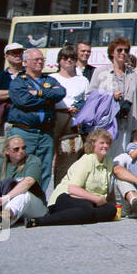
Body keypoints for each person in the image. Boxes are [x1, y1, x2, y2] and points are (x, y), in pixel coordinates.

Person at [5, 49, 66, 199]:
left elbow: (60, 92)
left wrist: (39, 93)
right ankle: (14, 199)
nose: (40, 62)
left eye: (41, 60)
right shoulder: (19, 82)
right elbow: (24, 101)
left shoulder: (49, 80)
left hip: (45, 133)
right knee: (19, 166)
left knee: (44, 168)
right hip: (24, 132)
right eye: (36, 60)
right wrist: (48, 99)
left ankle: (38, 200)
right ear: (25, 62)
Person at [33, 129, 116, 226]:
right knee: (87, 210)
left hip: (89, 201)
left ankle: (82, 216)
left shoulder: (108, 161)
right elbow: (73, 189)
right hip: (66, 197)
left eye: (107, 143)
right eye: (102, 143)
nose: (105, 146)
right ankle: (41, 221)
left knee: (111, 210)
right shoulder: (87, 160)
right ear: (93, 144)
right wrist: (96, 199)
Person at [90, 37, 137, 162]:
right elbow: (90, 96)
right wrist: (110, 96)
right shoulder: (100, 72)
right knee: (103, 157)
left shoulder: (133, 74)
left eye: (126, 50)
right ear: (112, 52)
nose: (123, 53)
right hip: (106, 123)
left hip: (126, 123)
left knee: (121, 159)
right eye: (119, 50)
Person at [52, 46, 90, 186]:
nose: (69, 60)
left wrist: (78, 108)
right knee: (50, 158)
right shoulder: (52, 78)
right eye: (65, 57)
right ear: (59, 60)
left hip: (73, 122)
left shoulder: (83, 80)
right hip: (54, 120)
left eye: (72, 58)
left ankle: (61, 189)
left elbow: (87, 101)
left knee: (68, 158)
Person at [0, 43, 26, 134]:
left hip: (24, 123)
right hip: (3, 122)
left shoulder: (30, 75)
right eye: (14, 52)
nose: (18, 55)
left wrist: (4, 94)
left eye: (20, 52)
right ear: (6, 56)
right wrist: (19, 92)